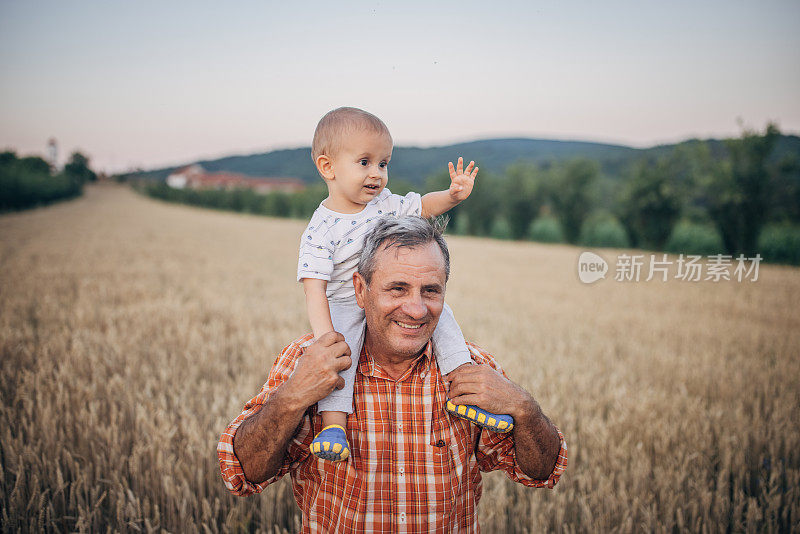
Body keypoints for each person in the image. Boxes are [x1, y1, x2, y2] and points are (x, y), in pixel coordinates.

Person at [218, 216, 568, 532]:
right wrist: (293, 396)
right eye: (397, 289)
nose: (416, 310)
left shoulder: (472, 369)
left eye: (431, 291)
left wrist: (524, 409)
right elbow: (242, 473)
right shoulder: (310, 362)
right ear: (360, 289)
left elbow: (540, 472)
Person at [298, 107, 512, 462]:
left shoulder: (386, 204)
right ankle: (333, 426)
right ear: (327, 167)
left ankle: (464, 392)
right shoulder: (321, 229)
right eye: (364, 162)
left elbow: (424, 206)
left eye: (383, 164)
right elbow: (314, 288)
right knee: (341, 360)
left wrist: (453, 195)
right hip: (345, 303)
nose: (377, 174)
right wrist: (325, 337)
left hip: (391, 294)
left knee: (443, 321)